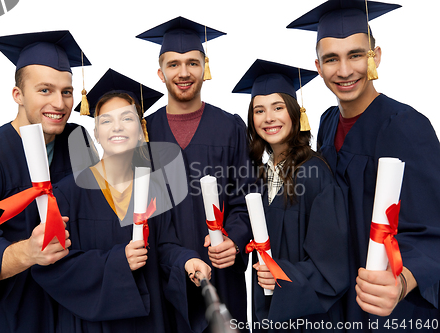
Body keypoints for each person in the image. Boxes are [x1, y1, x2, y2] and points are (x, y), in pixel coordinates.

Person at [288, 0, 440, 331]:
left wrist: (402, 283)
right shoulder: (328, 123)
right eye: (331, 59)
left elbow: (433, 228)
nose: (344, 71)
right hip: (339, 299)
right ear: (318, 66)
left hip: (393, 309)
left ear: (376, 56)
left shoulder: (406, 126)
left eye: (356, 54)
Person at [31, 68, 212, 333]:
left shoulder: (154, 187)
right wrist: (118, 261)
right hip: (94, 325)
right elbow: (52, 266)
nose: (116, 126)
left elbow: (164, 247)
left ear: (141, 130)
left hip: (149, 322)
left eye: (127, 118)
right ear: (97, 133)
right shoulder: (68, 192)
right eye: (106, 120)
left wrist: (186, 261)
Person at [0, 30, 96, 333]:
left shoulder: (78, 140)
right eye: (45, 90)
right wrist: (28, 252)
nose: (60, 103)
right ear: (18, 95)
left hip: (78, 309)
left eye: (66, 92)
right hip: (19, 315)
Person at [136, 16, 254, 332]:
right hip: (164, 276)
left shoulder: (229, 127)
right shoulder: (145, 131)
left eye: (192, 62)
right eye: (174, 64)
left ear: (205, 67)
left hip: (221, 273)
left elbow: (245, 199)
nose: (184, 72)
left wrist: (235, 239)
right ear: (160, 73)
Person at [233, 59, 349, 332]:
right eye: (259, 110)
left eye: (278, 107)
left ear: (296, 114)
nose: (268, 118)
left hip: (309, 320)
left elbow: (333, 265)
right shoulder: (260, 174)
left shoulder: (315, 174)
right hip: (268, 313)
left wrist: (283, 277)